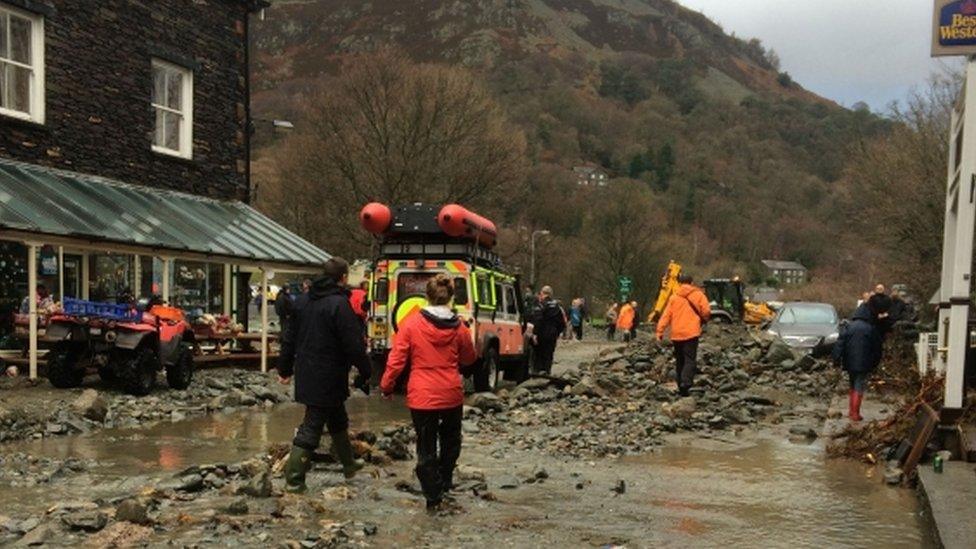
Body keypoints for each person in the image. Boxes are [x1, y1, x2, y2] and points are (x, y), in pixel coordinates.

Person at [381, 275, 477, 511]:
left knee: (425, 445)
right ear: (451, 297)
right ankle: (444, 483)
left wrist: (387, 386)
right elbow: (469, 358)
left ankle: (433, 496)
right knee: (451, 441)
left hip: (422, 395)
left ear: (427, 296)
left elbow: (397, 360)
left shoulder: (411, 324)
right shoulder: (460, 327)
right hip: (451, 393)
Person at [278, 258, 372, 493]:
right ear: (342, 278)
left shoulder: (302, 301)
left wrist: (285, 369)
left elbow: (289, 337)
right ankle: (294, 478)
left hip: (307, 370)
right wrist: (366, 369)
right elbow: (353, 344)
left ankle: (349, 463)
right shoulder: (339, 305)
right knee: (312, 424)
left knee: (337, 417)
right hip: (329, 372)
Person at [833, 294, 891, 422]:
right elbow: (877, 348)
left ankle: (851, 411)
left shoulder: (849, 326)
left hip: (849, 361)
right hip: (864, 362)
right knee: (859, 384)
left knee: (852, 384)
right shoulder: (871, 329)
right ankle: (855, 413)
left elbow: (840, 344)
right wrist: (875, 364)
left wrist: (836, 359)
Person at [655, 274, 711, 396]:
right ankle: (686, 383)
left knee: (680, 360)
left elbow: (666, 316)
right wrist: (703, 319)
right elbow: (706, 311)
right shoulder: (699, 295)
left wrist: (660, 331)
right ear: (691, 282)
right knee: (690, 359)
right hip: (692, 332)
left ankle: (680, 385)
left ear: (680, 283)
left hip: (676, 334)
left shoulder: (674, 298)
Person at [529, 286, 566, 375]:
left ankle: (537, 374)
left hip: (541, 334)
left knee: (538, 355)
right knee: (549, 355)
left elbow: (538, 320)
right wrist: (557, 332)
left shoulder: (541, 305)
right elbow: (562, 322)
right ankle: (547, 372)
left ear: (542, 293)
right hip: (552, 334)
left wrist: (535, 333)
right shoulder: (557, 307)